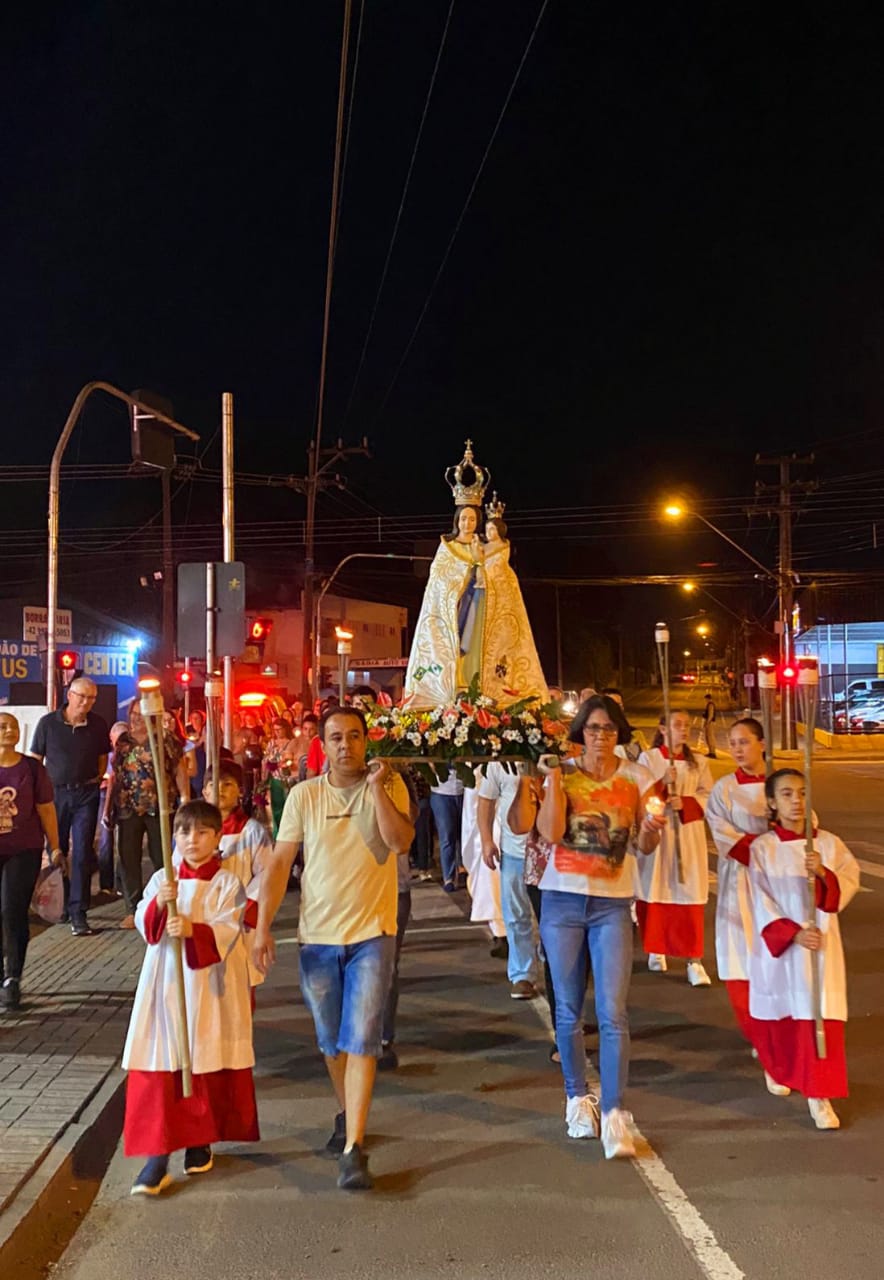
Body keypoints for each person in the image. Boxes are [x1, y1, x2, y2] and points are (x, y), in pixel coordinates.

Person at [255, 706, 414, 1191]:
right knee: (331, 1041)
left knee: (362, 1037)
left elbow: (399, 841)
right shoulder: (304, 796)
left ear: (368, 741)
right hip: (318, 937)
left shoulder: (388, 787)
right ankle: (348, 1115)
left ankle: (353, 1149)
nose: (347, 745)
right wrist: (262, 925)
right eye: (336, 738)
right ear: (323, 744)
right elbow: (281, 863)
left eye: (355, 736)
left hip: (372, 933)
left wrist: (375, 789)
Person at [535, 694, 665, 1160]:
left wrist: (652, 828)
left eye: (609, 729)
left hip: (612, 905)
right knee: (568, 1010)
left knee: (613, 1011)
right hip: (562, 901)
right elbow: (549, 834)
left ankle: (613, 1110)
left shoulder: (637, 779)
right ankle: (576, 1098)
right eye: (592, 729)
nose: (601, 737)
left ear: (620, 733)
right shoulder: (563, 772)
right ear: (579, 733)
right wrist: (551, 782)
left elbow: (645, 844)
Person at [122, 800, 258, 1195]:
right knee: (163, 1060)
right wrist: (162, 908)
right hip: (165, 984)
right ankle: (157, 1155)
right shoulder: (164, 878)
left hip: (207, 986)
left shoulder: (228, 883)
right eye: (183, 832)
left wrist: (195, 931)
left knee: (202, 1061)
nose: (191, 840)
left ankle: (200, 1139)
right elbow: (144, 924)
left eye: (201, 832)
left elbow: (229, 929)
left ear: (217, 838)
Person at [746, 769, 860, 1130]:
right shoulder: (762, 848)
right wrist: (792, 934)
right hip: (785, 947)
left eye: (801, 792)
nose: (796, 800)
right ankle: (779, 1067)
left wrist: (824, 873)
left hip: (821, 943)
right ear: (772, 803)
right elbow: (759, 899)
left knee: (819, 1016)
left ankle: (819, 1094)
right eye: (786, 794)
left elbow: (849, 879)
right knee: (784, 1015)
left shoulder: (828, 843)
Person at [403, 444, 547, 709]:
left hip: (482, 609)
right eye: (464, 519)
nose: (468, 524)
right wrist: (465, 578)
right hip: (456, 612)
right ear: (457, 520)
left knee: (480, 648)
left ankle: (481, 687)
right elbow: (438, 585)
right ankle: (453, 687)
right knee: (458, 649)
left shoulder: (483, 548)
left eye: (472, 520)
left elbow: (502, 579)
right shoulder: (447, 548)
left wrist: (483, 574)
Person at [705, 718, 771, 1056]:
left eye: (744, 741)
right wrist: (768, 848)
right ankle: (755, 1027)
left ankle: (777, 1025)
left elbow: (806, 824)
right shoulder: (724, 789)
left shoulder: (781, 784)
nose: (737, 749)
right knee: (742, 953)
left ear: (761, 743)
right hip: (741, 882)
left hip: (778, 886)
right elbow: (722, 833)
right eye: (732, 743)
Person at [635, 712, 714, 985]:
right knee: (656, 886)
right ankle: (657, 948)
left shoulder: (699, 762)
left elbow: (709, 797)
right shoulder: (650, 759)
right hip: (659, 831)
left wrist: (689, 803)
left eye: (687, 725)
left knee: (688, 889)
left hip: (688, 832)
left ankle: (694, 958)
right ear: (663, 729)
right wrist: (662, 786)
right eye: (677, 724)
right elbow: (641, 794)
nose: (684, 729)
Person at [30, 677, 110, 937]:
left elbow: (102, 759)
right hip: (55, 795)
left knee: (83, 851)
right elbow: (36, 761)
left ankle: (79, 912)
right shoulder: (48, 724)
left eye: (91, 698)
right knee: (57, 848)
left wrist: (94, 780)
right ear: (70, 694)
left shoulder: (97, 725)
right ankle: (60, 904)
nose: (86, 703)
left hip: (86, 793)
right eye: (82, 697)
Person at [0, 713, 63, 1011]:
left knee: (12, 910)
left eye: (12, 726)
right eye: (2, 726)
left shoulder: (32, 769)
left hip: (23, 849)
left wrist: (55, 847)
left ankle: (12, 977)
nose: (9, 730)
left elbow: (46, 809)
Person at [104, 702, 183, 929]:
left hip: (160, 806)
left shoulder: (165, 739)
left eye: (143, 714)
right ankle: (133, 908)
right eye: (134, 714)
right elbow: (114, 776)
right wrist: (107, 808)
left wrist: (185, 799)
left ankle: (165, 905)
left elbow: (179, 769)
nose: (138, 718)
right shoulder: (123, 742)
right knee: (128, 859)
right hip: (127, 807)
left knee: (161, 857)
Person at [198, 761, 271, 990]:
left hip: (238, 922)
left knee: (239, 987)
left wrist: (242, 907)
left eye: (227, 784)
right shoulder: (192, 832)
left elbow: (266, 875)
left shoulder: (251, 831)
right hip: (202, 922)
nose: (219, 789)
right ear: (204, 791)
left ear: (240, 790)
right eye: (213, 784)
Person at [477, 761, 539, 999]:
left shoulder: (556, 752)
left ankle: (556, 969)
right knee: (516, 916)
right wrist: (486, 840)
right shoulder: (500, 762)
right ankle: (522, 975)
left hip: (551, 854)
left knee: (552, 919)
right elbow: (486, 801)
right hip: (514, 852)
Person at [96, 720, 129, 897]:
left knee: (125, 840)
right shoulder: (106, 756)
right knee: (105, 840)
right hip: (105, 796)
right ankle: (106, 884)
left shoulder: (130, 755)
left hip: (124, 797)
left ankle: (121, 882)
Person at [430, 770, 466, 892]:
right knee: (447, 835)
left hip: (463, 790)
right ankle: (448, 877)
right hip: (441, 792)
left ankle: (462, 869)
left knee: (464, 833)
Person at [702, 694, 718, 758]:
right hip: (709, 722)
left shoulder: (710, 704)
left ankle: (713, 752)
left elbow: (710, 715)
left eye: (705, 699)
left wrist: (707, 723)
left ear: (708, 698)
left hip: (710, 723)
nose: (705, 701)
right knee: (708, 737)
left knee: (710, 737)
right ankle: (710, 752)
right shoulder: (709, 704)